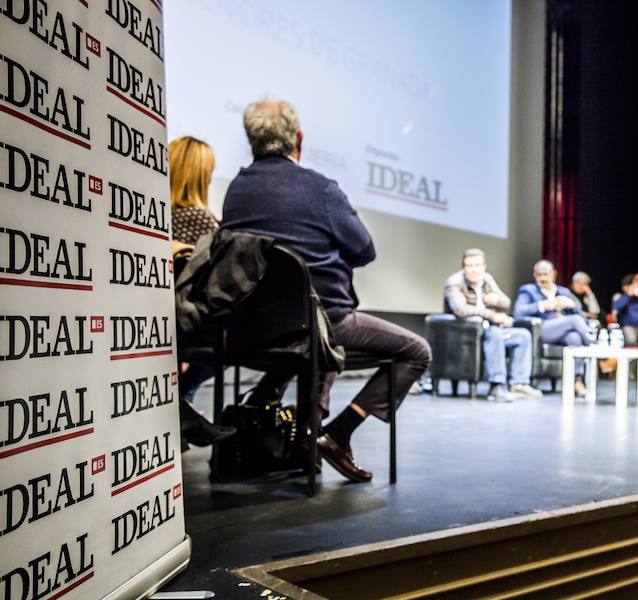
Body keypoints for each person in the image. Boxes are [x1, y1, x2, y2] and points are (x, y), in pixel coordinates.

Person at [220, 99, 431, 482]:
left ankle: (301, 439)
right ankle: (339, 432)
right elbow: (364, 249)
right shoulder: (319, 189)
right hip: (321, 322)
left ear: (251, 140)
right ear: (298, 138)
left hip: (249, 329)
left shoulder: (237, 190)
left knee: (321, 343)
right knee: (417, 351)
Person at [168, 136, 236, 450]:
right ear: (201, 175)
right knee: (232, 340)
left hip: (164, 317)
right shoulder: (205, 222)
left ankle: (180, 407)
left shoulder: (157, 217)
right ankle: (178, 404)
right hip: (193, 321)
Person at [443, 249, 542, 401]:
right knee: (495, 334)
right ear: (463, 267)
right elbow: (460, 309)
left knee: (523, 335)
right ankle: (496, 386)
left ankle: (519, 383)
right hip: (466, 335)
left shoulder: (486, 279)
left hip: (488, 330)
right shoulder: (454, 282)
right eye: (469, 266)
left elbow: (506, 302)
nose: (474, 269)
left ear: (484, 266)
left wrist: (496, 301)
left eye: (477, 265)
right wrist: (493, 316)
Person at [513, 260, 594, 396]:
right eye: (539, 275)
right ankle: (596, 347)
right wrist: (543, 305)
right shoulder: (528, 290)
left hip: (564, 330)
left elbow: (581, 316)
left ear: (554, 274)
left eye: (546, 274)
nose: (543, 278)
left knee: (574, 338)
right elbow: (518, 312)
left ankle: (577, 381)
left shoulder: (563, 291)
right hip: (543, 330)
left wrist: (572, 305)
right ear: (534, 275)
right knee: (574, 321)